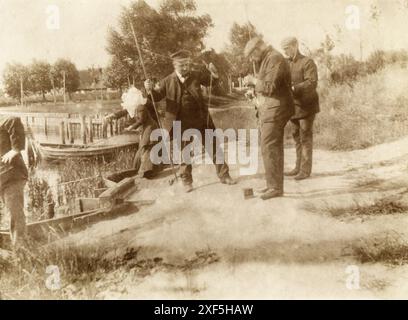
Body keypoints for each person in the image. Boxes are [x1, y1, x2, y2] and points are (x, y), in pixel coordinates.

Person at [144, 49, 236, 193]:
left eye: (187, 64)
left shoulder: (196, 75)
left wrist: (215, 73)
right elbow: (155, 96)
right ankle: (187, 182)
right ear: (175, 65)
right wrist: (149, 90)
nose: (186, 68)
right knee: (185, 152)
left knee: (213, 147)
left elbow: (212, 81)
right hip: (180, 122)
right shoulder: (167, 81)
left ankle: (224, 176)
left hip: (201, 119)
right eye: (182, 65)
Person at [244, 37, 294, 200]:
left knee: (269, 146)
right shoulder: (267, 58)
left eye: (252, 55)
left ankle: (275, 187)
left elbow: (270, 87)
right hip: (271, 109)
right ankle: (273, 185)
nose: (252, 59)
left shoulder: (274, 58)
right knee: (271, 147)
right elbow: (265, 86)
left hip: (276, 109)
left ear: (257, 49)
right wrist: (253, 90)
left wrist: (253, 80)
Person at [281, 37, 319, 180]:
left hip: (306, 107)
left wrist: (293, 88)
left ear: (295, 46)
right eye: (284, 49)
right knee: (297, 138)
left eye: (288, 48)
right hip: (293, 108)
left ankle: (305, 170)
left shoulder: (307, 62)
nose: (286, 51)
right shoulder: (286, 64)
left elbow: (312, 82)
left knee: (305, 138)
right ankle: (298, 167)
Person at [105, 87, 159, 178]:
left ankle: (147, 171)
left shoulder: (141, 107)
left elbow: (141, 120)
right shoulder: (134, 107)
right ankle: (140, 169)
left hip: (150, 129)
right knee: (142, 149)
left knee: (145, 147)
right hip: (145, 129)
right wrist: (112, 116)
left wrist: (131, 127)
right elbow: (123, 112)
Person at [0, 116, 28, 247]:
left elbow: (14, 120)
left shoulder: (4, 121)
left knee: (15, 215)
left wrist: (16, 149)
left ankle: (20, 252)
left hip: (12, 176)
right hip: (2, 178)